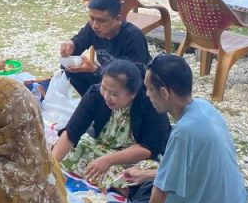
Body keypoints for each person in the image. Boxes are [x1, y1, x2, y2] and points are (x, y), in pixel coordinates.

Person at [103, 53, 248, 203]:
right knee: (140, 185)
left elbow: (160, 193)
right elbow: (211, 170)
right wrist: (147, 175)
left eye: (149, 89)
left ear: (164, 92)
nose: (147, 95)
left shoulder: (183, 132)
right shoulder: (205, 108)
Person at [51, 59, 170, 190]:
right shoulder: (95, 94)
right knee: (63, 149)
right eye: (104, 88)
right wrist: (51, 167)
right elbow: (71, 133)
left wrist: (109, 160)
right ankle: (109, 183)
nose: (106, 97)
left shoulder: (150, 103)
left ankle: (119, 186)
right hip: (101, 146)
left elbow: (149, 148)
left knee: (140, 174)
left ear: (133, 93)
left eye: (114, 94)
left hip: (133, 157)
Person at [59, 0, 150, 96]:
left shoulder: (133, 37)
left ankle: (100, 100)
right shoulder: (93, 28)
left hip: (133, 88)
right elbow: (79, 41)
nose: (95, 25)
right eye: (92, 18)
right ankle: (93, 100)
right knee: (68, 66)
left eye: (101, 21)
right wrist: (71, 45)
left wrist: (95, 70)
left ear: (117, 19)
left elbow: (131, 76)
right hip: (106, 78)